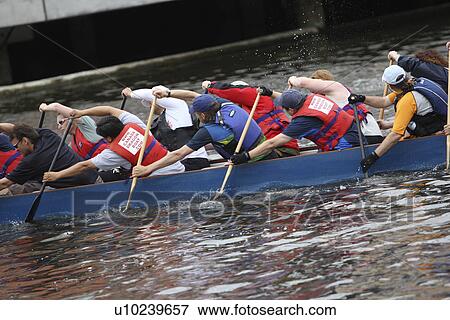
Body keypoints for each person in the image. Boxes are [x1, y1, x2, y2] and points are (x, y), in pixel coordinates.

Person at [132, 88, 276, 178]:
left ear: (203, 115)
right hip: (269, 151)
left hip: (253, 163)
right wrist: (168, 93)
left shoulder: (209, 131)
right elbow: (193, 95)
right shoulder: (223, 103)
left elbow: (178, 154)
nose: (197, 117)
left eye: (197, 114)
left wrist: (147, 168)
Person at [43, 105, 185, 183]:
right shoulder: (134, 123)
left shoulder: (114, 153)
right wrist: (82, 112)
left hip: (159, 179)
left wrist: (57, 176)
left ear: (109, 139)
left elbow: (84, 165)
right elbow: (110, 110)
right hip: (177, 167)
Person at [349, 64, 448, 172]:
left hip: (437, 133)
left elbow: (396, 134)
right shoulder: (412, 83)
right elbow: (384, 101)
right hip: (435, 122)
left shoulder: (407, 101)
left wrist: (373, 157)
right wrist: (361, 98)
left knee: (396, 137)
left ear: (390, 85)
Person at [230, 89, 365, 165]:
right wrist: (270, 92)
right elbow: (286, 98)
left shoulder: (303, 121)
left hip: (347, 141)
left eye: (284, 108)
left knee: (326, 164)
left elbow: (272, 143)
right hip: (354, 131)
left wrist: (246, 156)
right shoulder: (312, 97)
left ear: (291, 109)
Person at [202, 80, 300, 157]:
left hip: (282, 149)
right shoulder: (246, 108)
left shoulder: (258, 97)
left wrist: (210, 86)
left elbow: (234, 92)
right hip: (274, 148)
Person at [121, 86, 210, 171]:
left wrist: (130, 93)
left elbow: (151, 94)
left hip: (194, 161)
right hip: (177, 163)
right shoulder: (157, 123)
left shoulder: (179, 107)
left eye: (151, 102)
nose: (150, 106)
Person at [0, 123, 98, 195]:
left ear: (25, 141)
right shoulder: (47, 134)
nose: (16, 150)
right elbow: (15, 129)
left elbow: (5, 183)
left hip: (81, 189)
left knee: (13, 189)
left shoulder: (31, 161)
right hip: (94, 177)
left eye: (16, 146)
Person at [288, 70, 384, 144]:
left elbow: (302, 83)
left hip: (367, 137)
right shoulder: (323, 101)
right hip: (362, 137)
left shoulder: (336, 87)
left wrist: (292, 80)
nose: (312, 91)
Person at [39, 102, 108, 160]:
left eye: (61, 122)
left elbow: (56, 106)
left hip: (111, 162)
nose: (59, 127)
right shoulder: (72, 145)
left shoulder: (86, 125)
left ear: (70, 119)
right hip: (98, 168)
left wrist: (45, 108)